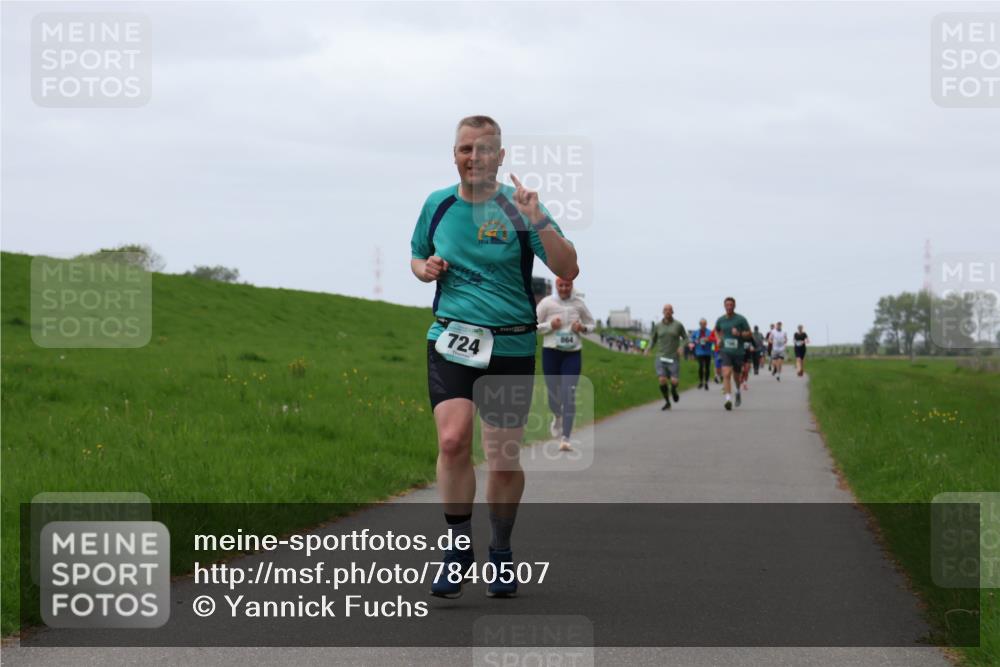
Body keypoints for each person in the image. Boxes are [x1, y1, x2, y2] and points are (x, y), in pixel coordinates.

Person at [410, 115, 578, 599]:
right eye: (466, 149)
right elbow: (418, 256)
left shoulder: (519, 207)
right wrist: (427, 270)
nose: (474, 158)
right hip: (451, 340)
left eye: (484, 150)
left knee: (503, 459)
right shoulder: (436, 204)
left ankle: (501, 552)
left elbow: (568, 266)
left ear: (500, 158)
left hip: (509, 344)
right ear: (455, 154)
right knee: (453, 438)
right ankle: (457, 546)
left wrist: (538, 218)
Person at [537, 277, 595, 452]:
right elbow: (533, 325)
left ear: (572, 286)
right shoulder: (546, 303)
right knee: (553, 395)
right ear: (556, 286)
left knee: (568, 393)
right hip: (551, 352)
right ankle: (557, 416)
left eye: (567, 285)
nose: (564, 288)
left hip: (572, 353)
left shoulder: (579, 304)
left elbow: (592, 324)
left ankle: (566, 437)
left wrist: (582, 328)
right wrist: (550, 325)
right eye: (561, 285)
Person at [646, 304, 687, 410]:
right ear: (663, 312)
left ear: (673, 312)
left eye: (669, 310)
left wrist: (681, 346)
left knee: (674, 381)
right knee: (662, 380)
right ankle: (667, 402)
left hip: (673, 357)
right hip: (660, 356)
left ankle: (673, 390)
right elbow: (653, 339)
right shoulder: (658, 326)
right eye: (665, 310)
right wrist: (648, 348)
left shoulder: (678, 325)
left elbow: (686, 338)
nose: (667, 312)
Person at [714, 297, 752, 410]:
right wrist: (718, 339)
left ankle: (738, 391)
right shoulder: (720, 320)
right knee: (726, 374)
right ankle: (728, 399)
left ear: (734, 306)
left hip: (738, 352)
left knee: (736, 376)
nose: (729, 307)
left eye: (731, 305)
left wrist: (739, 333)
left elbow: (749, 334)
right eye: (727, 305)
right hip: (725, 351)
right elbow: (716, 330)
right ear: (724, 306)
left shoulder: (741, 319)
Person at [689, 318, 714, 390]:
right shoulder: (696, 332)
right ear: (699, 324)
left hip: (707, 352)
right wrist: (695, 341)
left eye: (704, 324)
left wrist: (708, 339)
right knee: (700, 366)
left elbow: (713, 340)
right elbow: (691, 339)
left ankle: (706, 382)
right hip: (699, 351)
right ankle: (701, 382)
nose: (702, 325)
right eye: (701, 324)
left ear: (706, 324)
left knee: (707, 367)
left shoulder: (709, 332)